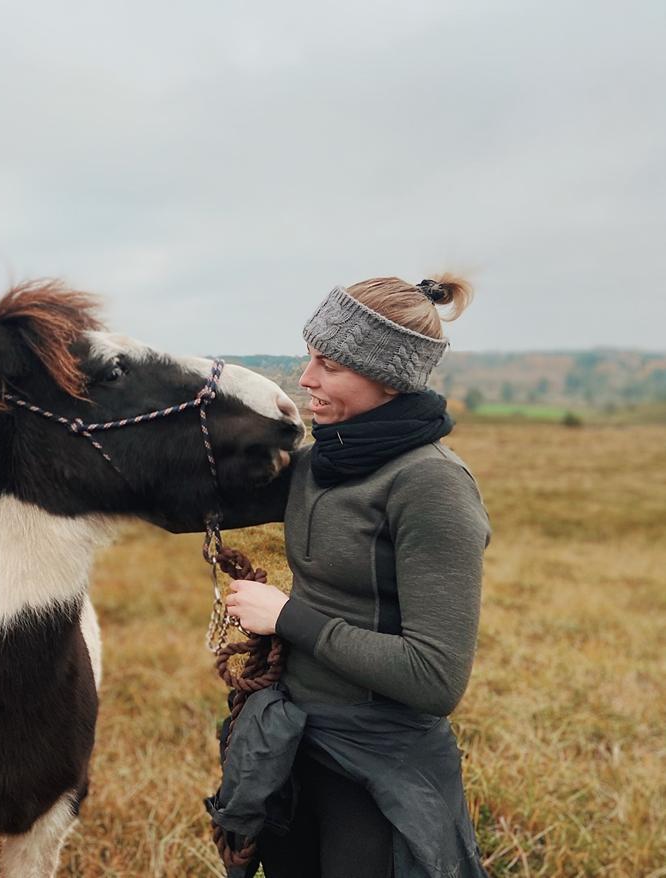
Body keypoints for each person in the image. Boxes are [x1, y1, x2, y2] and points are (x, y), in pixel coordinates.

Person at [220, 275, 492, 878]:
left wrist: (286, 617)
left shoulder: (433, 485)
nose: (306, 378)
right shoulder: (320, 461)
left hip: (381, 770)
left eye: (330, 365)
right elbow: (197, 500)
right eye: (309, 356)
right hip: (295, 744)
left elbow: (435, 677)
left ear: (389, 379)